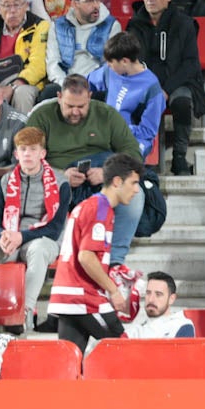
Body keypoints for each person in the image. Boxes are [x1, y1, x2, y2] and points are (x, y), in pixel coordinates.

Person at [22, 75, 146, 264]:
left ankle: (114, 262)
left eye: (81, 107)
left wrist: (108, 174)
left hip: (101, 183)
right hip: (57, 185)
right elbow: (26, 162)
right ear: (59, 97)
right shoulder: (42, 116)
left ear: (89, 96)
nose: (75, 112)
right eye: (69, 106)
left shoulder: (107, 114)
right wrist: (60, 177)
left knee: (135, 194)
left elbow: (133, 154)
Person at [0, 128, 68, 330]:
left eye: (33, 149)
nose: (27, 154)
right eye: (23, 149)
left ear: (42, 153)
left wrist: (22, 236)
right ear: (16, 154)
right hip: (9, 237)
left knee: (38, 251)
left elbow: (55, 228)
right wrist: (1, 235)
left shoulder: (60, 183)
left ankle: (23, 313)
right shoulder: (4, 182)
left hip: (43, 239)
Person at [40, 152, 144, 348]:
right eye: (133, 183)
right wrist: (114, 290)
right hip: (83, 297)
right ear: (116, 181)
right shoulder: (100, 208)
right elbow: (86, 257)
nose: (137, 190)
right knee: (125, 351)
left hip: (67, 296)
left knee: (72, 366)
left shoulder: (92, 205)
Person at [127, 0, 205, 176]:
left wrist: (166, 89)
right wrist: (152, 89)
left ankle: (179, 157)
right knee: (132, 103)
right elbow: (130, 62)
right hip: (145, 84)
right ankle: (143, 158)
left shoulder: (184, 23)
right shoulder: (134, 25)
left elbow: (191, 64)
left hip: (177, 82)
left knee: (181, 101)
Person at [85, 33, 166, 165]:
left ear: (124, 61)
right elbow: (85, 84)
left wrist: (117, 130)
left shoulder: (151, 87)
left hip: (134, 140)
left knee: (121, 165)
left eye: (111, 62)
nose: (108, 65)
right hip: (105, 135)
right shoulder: (109, 71)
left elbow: (147, 131)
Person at [46, 0, 120, 93]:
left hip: (97, 85)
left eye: (97, 0)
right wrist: (66, 85)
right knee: (48, 92)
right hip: (65, 83)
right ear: (75, 4)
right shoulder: (57, 26)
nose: (96, 5)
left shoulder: (111, 25)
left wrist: (91, 84)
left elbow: (112, 65)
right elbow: (53, 62)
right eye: (89, 1)